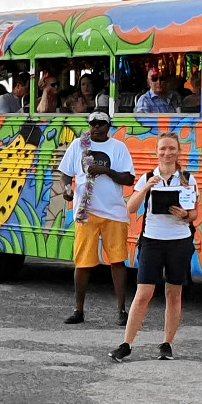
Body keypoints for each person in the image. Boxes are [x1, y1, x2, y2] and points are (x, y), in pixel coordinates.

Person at [110, 131, 198, 362]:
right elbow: (131, 208)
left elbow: (195, 213)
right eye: (163, 149)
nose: (167, 153)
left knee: (173, 292)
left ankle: (167, 343)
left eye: (172, 148)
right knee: (143, 293)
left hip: (179, 241)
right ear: (156, 152)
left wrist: (185, 215)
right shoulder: (149, 176)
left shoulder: (188, 178)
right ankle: (126, 343)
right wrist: (147, 187)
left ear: (179, 151)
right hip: (152, 240)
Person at [57, 111, 136, 325]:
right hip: (86, 211)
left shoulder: (118, 148)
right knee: (82, 263)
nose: (96, 127)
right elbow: (65, 172)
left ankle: (122, 311)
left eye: (101, 123)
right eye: (93, 123)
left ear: (109, 126)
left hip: (114, 213)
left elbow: (129, 179)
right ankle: (78, 310)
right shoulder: (78, 145)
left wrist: (106, 171)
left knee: (118, 261)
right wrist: (67, 188)